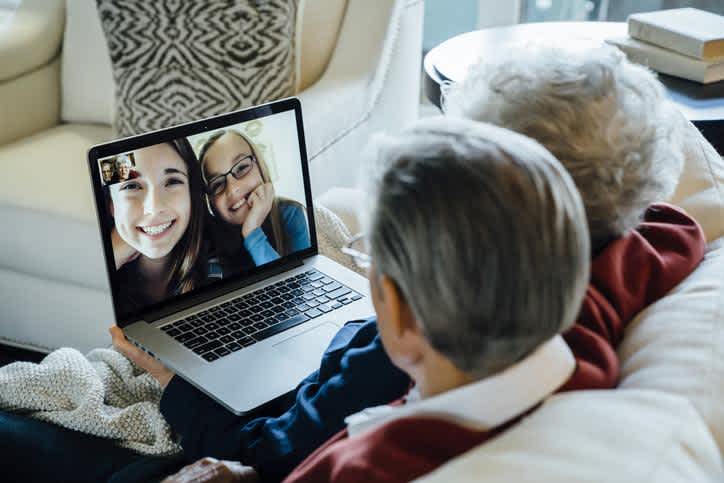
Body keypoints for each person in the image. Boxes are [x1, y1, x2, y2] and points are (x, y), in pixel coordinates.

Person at [109, 138, 209, 313]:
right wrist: (111, 261)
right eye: (131, 185)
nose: (154, 208)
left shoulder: (224, 261)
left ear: (191, 195)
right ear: (111, 205)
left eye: (172, 181)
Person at [198, 130, 311, 273]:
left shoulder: (290, 213)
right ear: (211, 201)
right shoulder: (209, 245)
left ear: (260, 166)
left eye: (242, 168)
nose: (233, 189)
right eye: (217, 184)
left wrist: (252, 231)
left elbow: (298, 285)